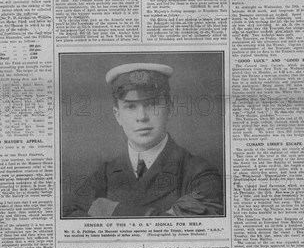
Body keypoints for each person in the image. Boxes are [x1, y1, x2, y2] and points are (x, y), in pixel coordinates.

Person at [64, 63, 224, 217]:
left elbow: (179, 228)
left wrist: (110, 210)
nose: (141, 117)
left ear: (169, 109)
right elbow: (67, 215)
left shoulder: (200, 173)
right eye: (131, 107)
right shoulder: (104, 174)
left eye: (152, 104)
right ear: (117, 115)